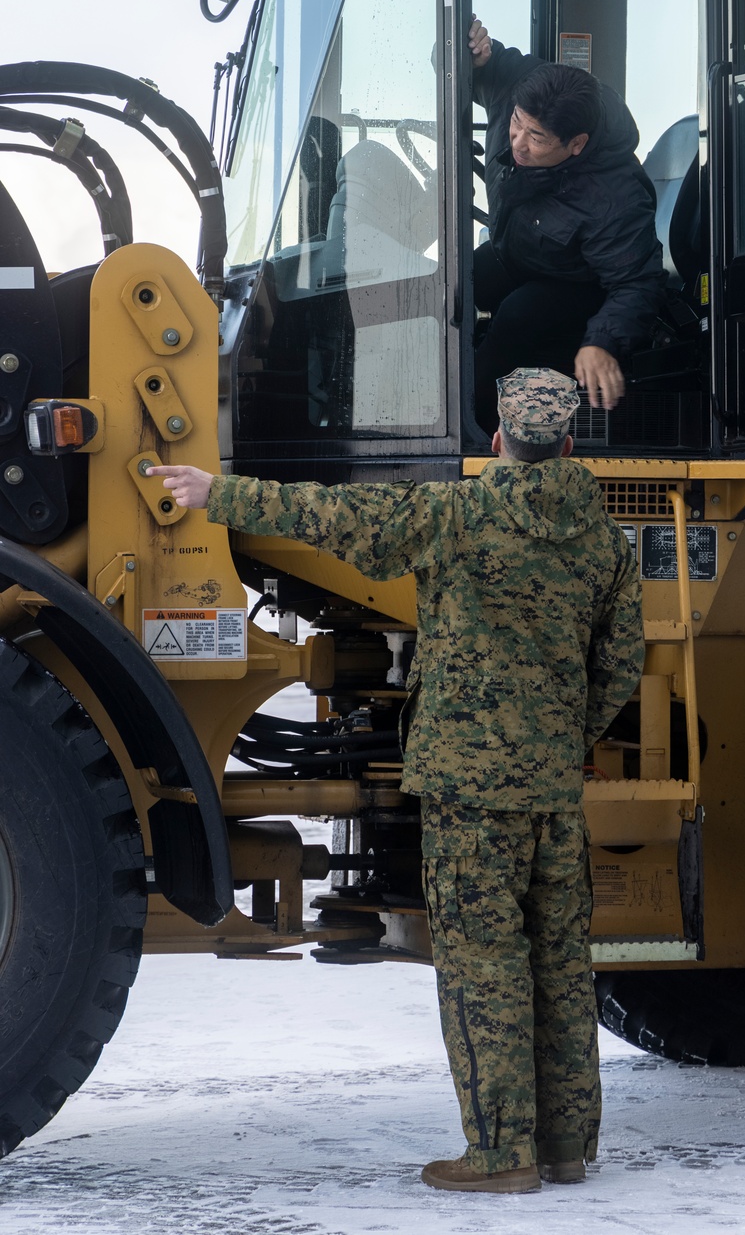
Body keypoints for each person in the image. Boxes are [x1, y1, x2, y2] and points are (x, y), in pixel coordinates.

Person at [149, 367, 645, 1196]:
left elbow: (330, 516)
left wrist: (217, 492)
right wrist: (561, 738)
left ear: (497, 441)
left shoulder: (454, 515)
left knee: (483, 960)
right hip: (552, 790)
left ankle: (500, 1153)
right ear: (566, 444)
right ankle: (565, 1146)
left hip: (468, 787)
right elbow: (622, 662)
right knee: (559, 960)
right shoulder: (602, 543)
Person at [469, 17, 663, 431]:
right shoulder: (523, 87)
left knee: (518, 317)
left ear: (576, 145)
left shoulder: (616, 197)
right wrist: (469, 46)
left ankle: (473, 432)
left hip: (576, 283)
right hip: (514, 250)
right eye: (515, 125)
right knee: (449, 284)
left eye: (536, 138)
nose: (517, 143)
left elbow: (636, 283)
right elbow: (468, 67)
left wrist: (603, 342)